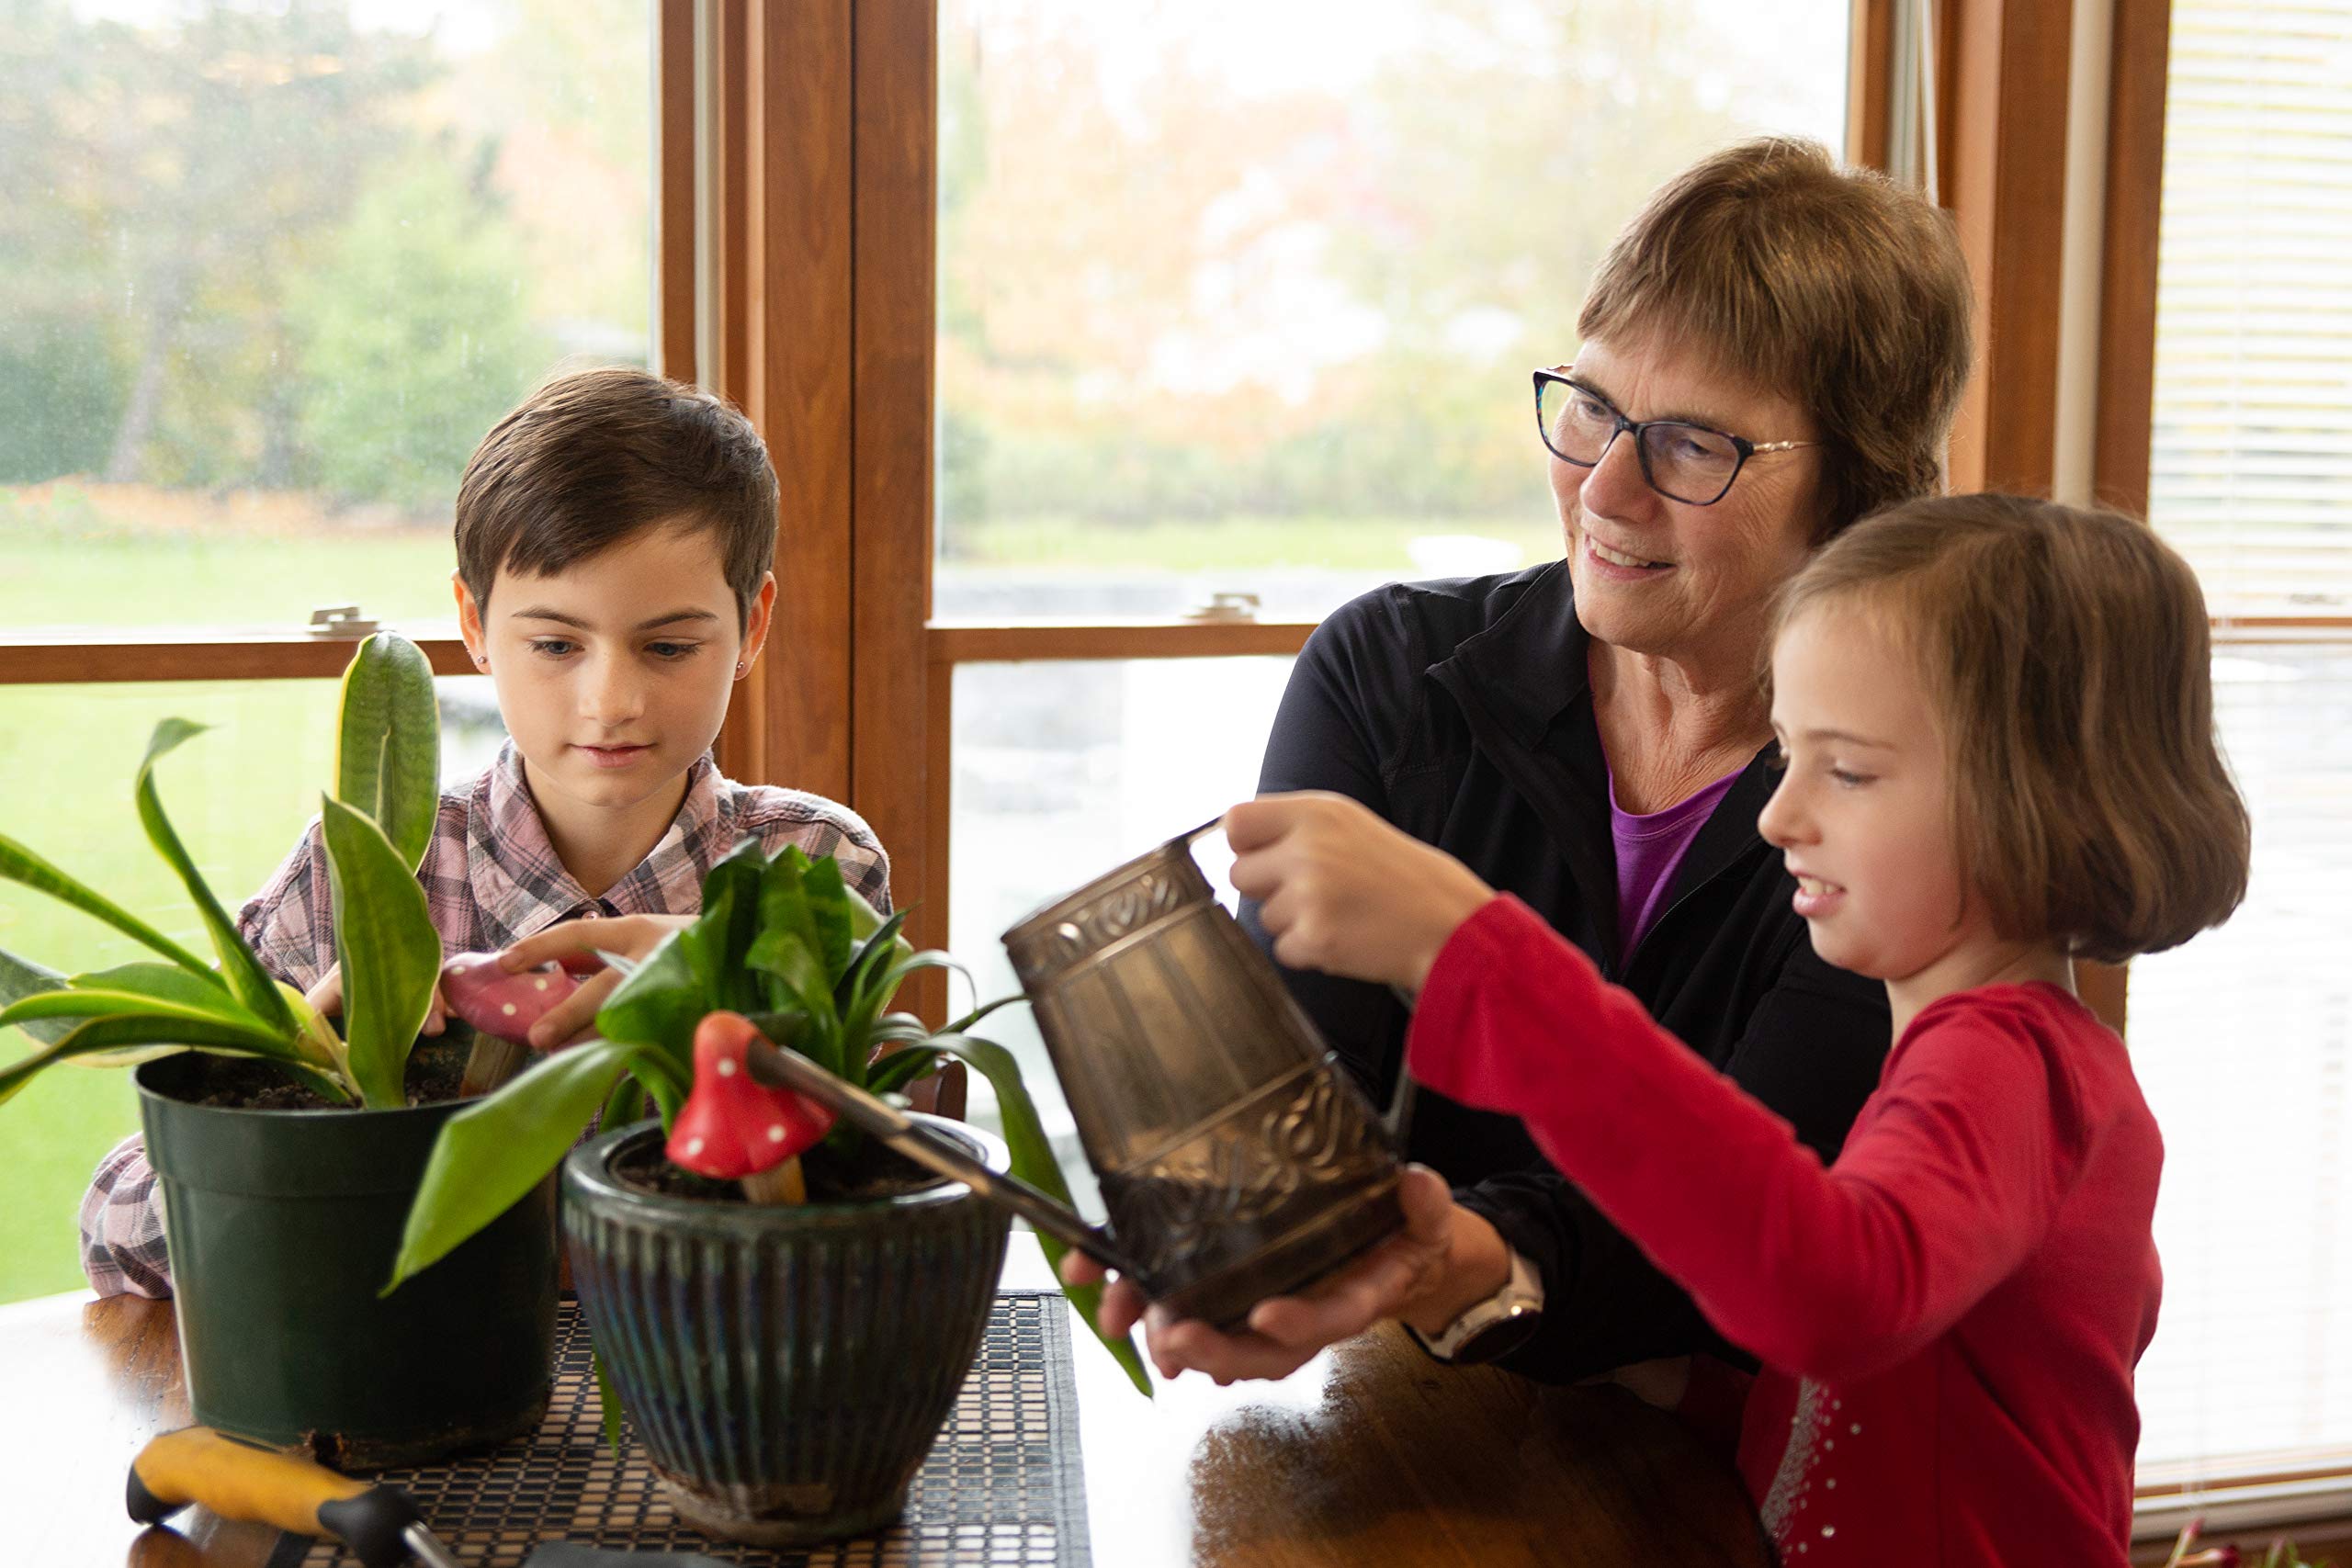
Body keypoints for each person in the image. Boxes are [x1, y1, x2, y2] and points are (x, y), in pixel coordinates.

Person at [1089, 495, 2251, 1562]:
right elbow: (1917, 1399)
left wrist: (1484, 961)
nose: (1780, 814)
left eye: (1845, 773)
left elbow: (1834, 1293)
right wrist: (1674, 1383)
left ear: (2031, 802)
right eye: (1787, 756)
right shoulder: (1962, 1051)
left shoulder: (2008, 1067)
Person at [1165, 136, 1979, 1393]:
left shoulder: (1895, 799)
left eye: (1693, 444)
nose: (1603, 484)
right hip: (1418, 1423)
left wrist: (1452, 1256)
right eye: (1592, 406)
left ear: (1861, 492)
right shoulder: (1390, 677)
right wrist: (1226, 1234)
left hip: (1726, 1480)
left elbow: (1760, 1227)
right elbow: (1287, 1121)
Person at [78, 367, 888, 1299]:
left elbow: (880, 1211)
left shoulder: (812, 866)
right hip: (418, 1406)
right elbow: (115, 1233)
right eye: (555, 645)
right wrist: (310, 1090)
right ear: (473, 622)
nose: (610, 701)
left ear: (752, 628)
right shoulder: (365, 879)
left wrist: (736, 994)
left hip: (716, 1403)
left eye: (668, 646)